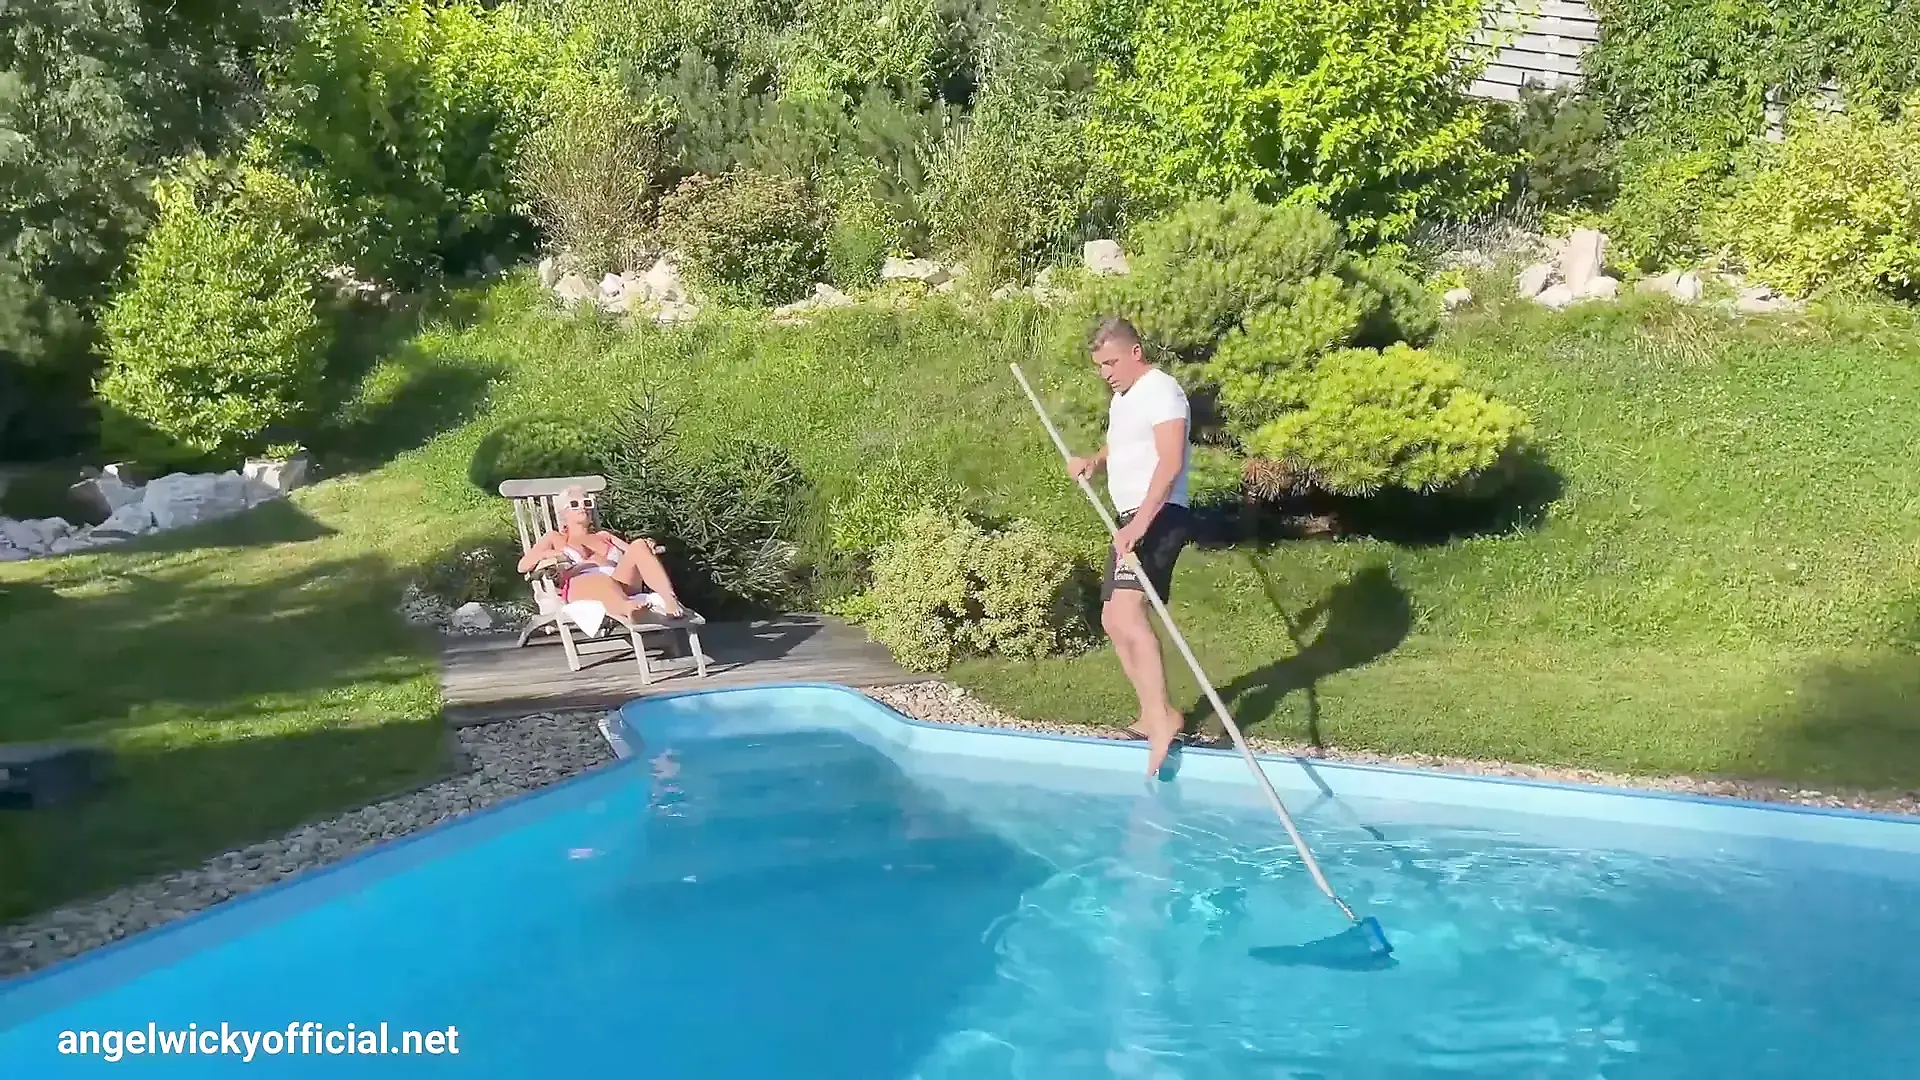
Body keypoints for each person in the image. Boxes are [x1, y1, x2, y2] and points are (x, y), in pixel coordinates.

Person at [1066, 315, 1194, 778]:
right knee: (1111, 618)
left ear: (1135, 352)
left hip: (1158, 514)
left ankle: (1162, 719)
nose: (1106, 373)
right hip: (1131, 518)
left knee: (1128, 612)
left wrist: (1141, 524)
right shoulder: (1125, 399)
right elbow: (1123, 446)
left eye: (1111, 363)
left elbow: (1171, 460)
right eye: (1100, 366)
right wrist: (1094, 461)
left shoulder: (1162, 390)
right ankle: (1150, 713)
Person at [516, 484, 689, 622]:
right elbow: (522, 566)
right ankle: (627, 608)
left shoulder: (604, 536)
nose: (583, 507)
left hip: (620, 581)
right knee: (597, 578)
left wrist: (647, 546)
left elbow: (635, 553)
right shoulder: (555, 538)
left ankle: (669, 598)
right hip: (583, 585)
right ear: (563, 514)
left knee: (638, 544)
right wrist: (547, 554)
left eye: (587, 503)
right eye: (575, 504)